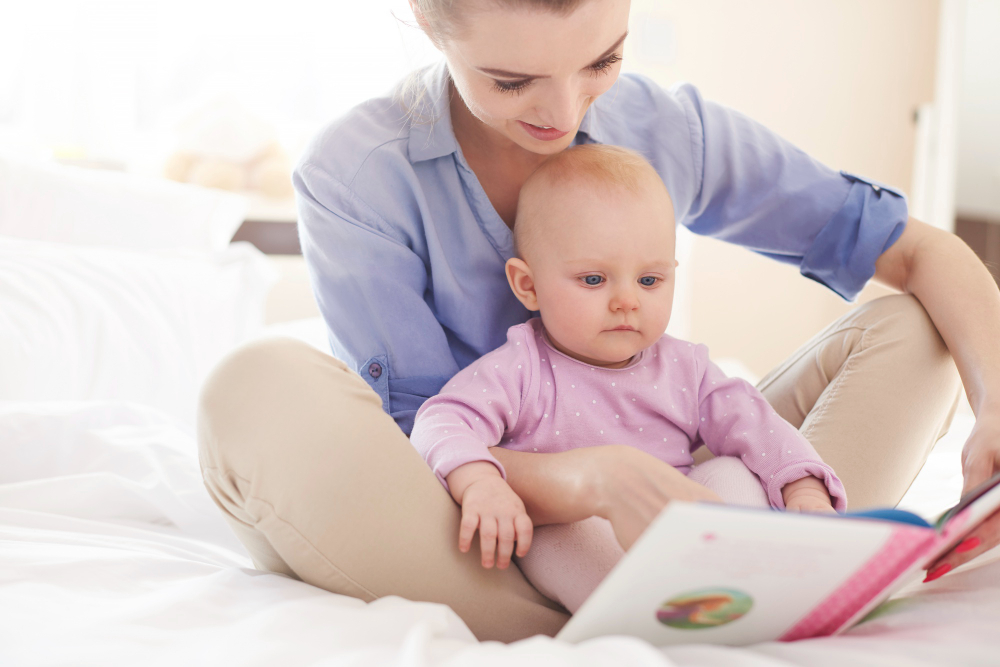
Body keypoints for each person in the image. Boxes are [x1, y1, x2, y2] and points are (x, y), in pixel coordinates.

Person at [196, 0, 1000, 644]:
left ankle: (757, 567)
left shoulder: (661, 130)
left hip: (674, 498)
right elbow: (426, 440)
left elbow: (916, 251)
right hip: (481, 521)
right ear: (425, 16)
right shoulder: (359, 172)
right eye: (511, 81)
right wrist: (593, 479)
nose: (565, 110)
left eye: (603, 60)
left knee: (919, 327)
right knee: (255, 389)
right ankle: (664, 609)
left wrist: (996, 401)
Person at [409, 143, 847, 613]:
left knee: (735, 471)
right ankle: (638, 613)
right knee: (557, 538)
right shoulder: (521, 367)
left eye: (649, 281)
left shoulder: (687, 368)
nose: (627, 301)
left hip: (683, 533)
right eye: (594, 280)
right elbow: (441, 421)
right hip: (584, 532)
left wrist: (804, 489)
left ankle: (740, 586)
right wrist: (480, 482)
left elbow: (760, 426)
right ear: (528, 285)